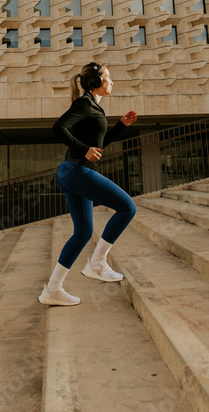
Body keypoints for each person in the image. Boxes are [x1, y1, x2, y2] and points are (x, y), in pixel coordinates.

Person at [39, 61, 138, 306]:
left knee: (82, 233)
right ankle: (97, 263)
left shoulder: (93, 107)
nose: (112, 81)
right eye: (108, 77)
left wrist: (121, 126)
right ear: (96, 82)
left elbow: (99, 146)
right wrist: (84, 149)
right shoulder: (84, 103)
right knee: (127, 207)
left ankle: (52, 290)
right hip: (77, 171)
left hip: (72, 172)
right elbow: (58, 128)